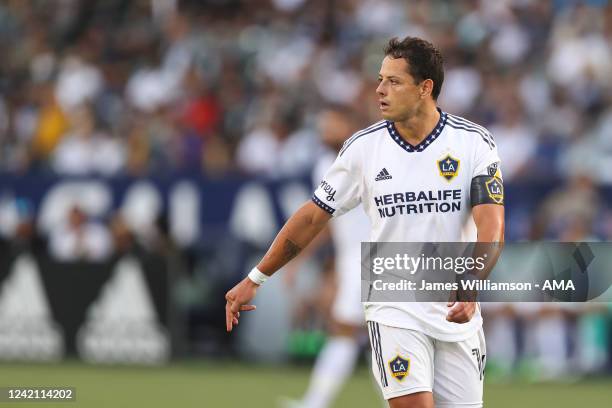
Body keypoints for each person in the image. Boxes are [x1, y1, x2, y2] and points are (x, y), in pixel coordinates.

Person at [225, 37, 505, 408]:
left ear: (425, 88)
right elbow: (311, 217)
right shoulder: (363, 149)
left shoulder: (473, 143)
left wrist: (470, 283)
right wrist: (255, 278)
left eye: (393, 81)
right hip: (392, 304)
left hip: (454, 310)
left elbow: (492, 227)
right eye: (380, 79)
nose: (379, 89)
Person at [280, 106, 372, 408]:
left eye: (332, 123)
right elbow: (326, 221)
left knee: (372, 333)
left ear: (349, 125)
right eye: (323, 123)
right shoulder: (324, 164)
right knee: (357, 332)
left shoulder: (369, 157)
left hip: (378, 255)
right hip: (353, 257)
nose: (325, 129)